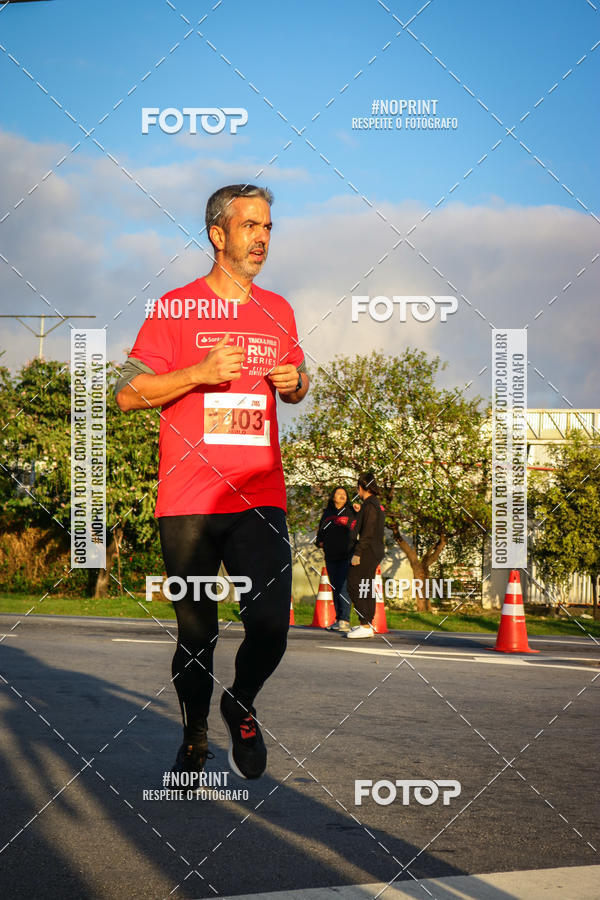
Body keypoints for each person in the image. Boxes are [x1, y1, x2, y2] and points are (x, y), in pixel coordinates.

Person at [115, 184, 309, 779]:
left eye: (268, 227)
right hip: (189, 500)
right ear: (217, 235)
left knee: (272, 624)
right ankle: (196, 729)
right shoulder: (175, 308)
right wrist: (197, 373)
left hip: (258, 494)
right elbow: (125, 392)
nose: (262, 237)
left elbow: (300, 381)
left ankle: (240, 703)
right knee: (196, 633)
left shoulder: (279, 310)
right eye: (250, 225)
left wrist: (296, 383)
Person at [346, 472, 385, 639]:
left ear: (360, 488)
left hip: (367, 551)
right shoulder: (372, 505)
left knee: (354, 584)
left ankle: (365, 623)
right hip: (372, 550)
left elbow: (367, 533)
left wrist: (358, 553)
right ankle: (366, 623)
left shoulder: (370, 506)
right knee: (366, 587)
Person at [315, 486, 356, 633]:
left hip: (347, 555)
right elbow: (320, 531)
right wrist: (320, 542)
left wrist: (359, 508)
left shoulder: (352, 511)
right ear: (333, 497)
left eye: (344, 494)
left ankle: (345, 620)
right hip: (331, 556)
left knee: (344, 587)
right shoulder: (327, 513)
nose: (342, 496)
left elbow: (361, 525)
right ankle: (338, 619)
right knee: (335, 587)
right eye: (339, 493)